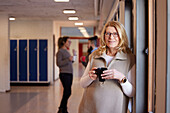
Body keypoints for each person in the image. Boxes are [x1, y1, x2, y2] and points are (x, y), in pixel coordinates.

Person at [78, 21, 136, 113]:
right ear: (104, 36)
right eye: (108, 33)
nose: (111, 37)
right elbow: (82, 83)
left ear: (122, 36)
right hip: (90, 107)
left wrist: (121, 78)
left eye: (115, 34)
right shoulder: (95, 55)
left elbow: (132, 92)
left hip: (115, 108)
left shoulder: (129, 59)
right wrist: (90, 77)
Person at [56, 36, 74, 113]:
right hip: (64, 74)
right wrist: (68, 59)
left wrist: (72, 58)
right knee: (67, 92)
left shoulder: (66, 51)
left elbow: (69, 62)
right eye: (68, 41)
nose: (69, 43)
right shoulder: (60, 52)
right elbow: (59, 63)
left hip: (69, 73)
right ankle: (61, 108)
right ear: (64, 42)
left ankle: (64, 109)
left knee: (68, 92)